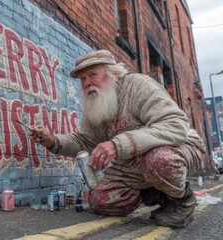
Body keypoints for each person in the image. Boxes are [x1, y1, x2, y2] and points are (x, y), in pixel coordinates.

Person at [29, 50, 205, 228]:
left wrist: (117, 144)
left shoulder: (138, 86)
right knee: (100, 200)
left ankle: (183, 199)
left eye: (93, 75)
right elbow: (84, 141)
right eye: (82, 79)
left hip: (180, 147)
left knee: (159, 161)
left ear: (112, 72)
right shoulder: (96, 102)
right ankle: (158, 194)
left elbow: (176, 125)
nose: (87, 83)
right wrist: (52, 141)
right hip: (133, 163)